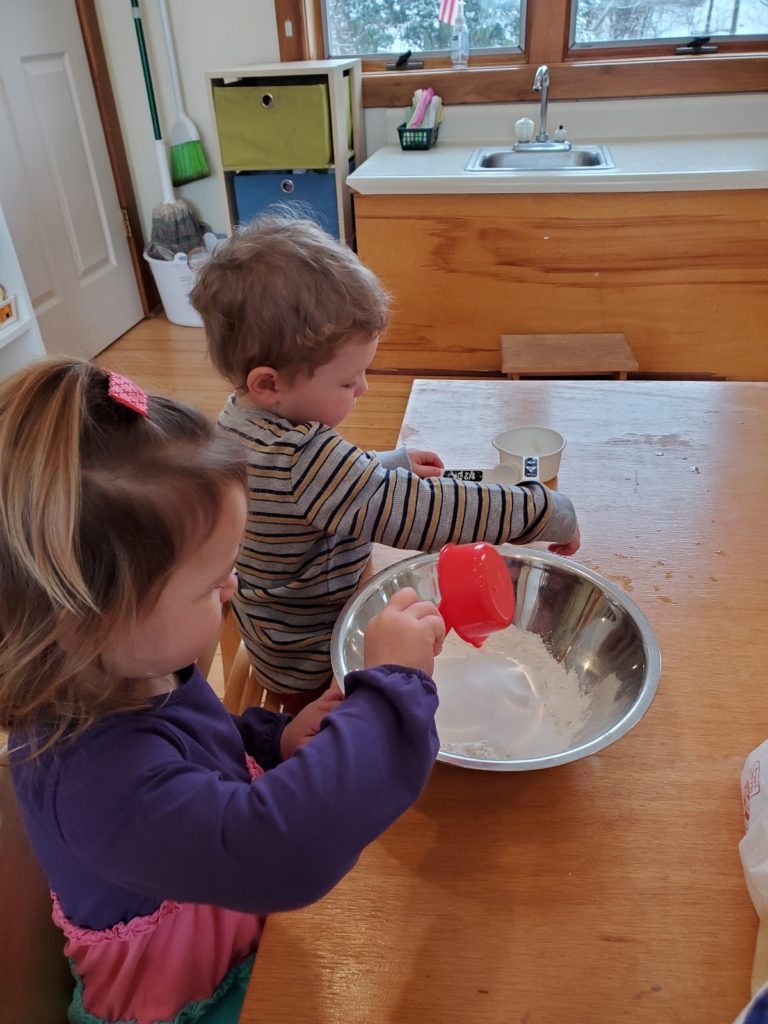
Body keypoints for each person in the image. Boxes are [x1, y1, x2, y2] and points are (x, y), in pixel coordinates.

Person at [0, 358, 444, 1024]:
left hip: (225, 924)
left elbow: (203, 753)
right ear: (91, 618)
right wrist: (394, 691)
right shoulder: (95, 784)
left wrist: (275, 741)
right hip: (185, 1002)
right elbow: (283, 851)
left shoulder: (131, 666)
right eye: (212, 584)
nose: (232, 590)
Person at [190, 212, 581, 711]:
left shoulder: (241, 420)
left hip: (272, 628)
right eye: (349, 382)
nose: (364, 389)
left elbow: (321, 488)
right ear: (270, 384)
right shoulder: (302, 459)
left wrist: (386, 462)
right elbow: (425, 512)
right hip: (315, 660)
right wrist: (543, 510)